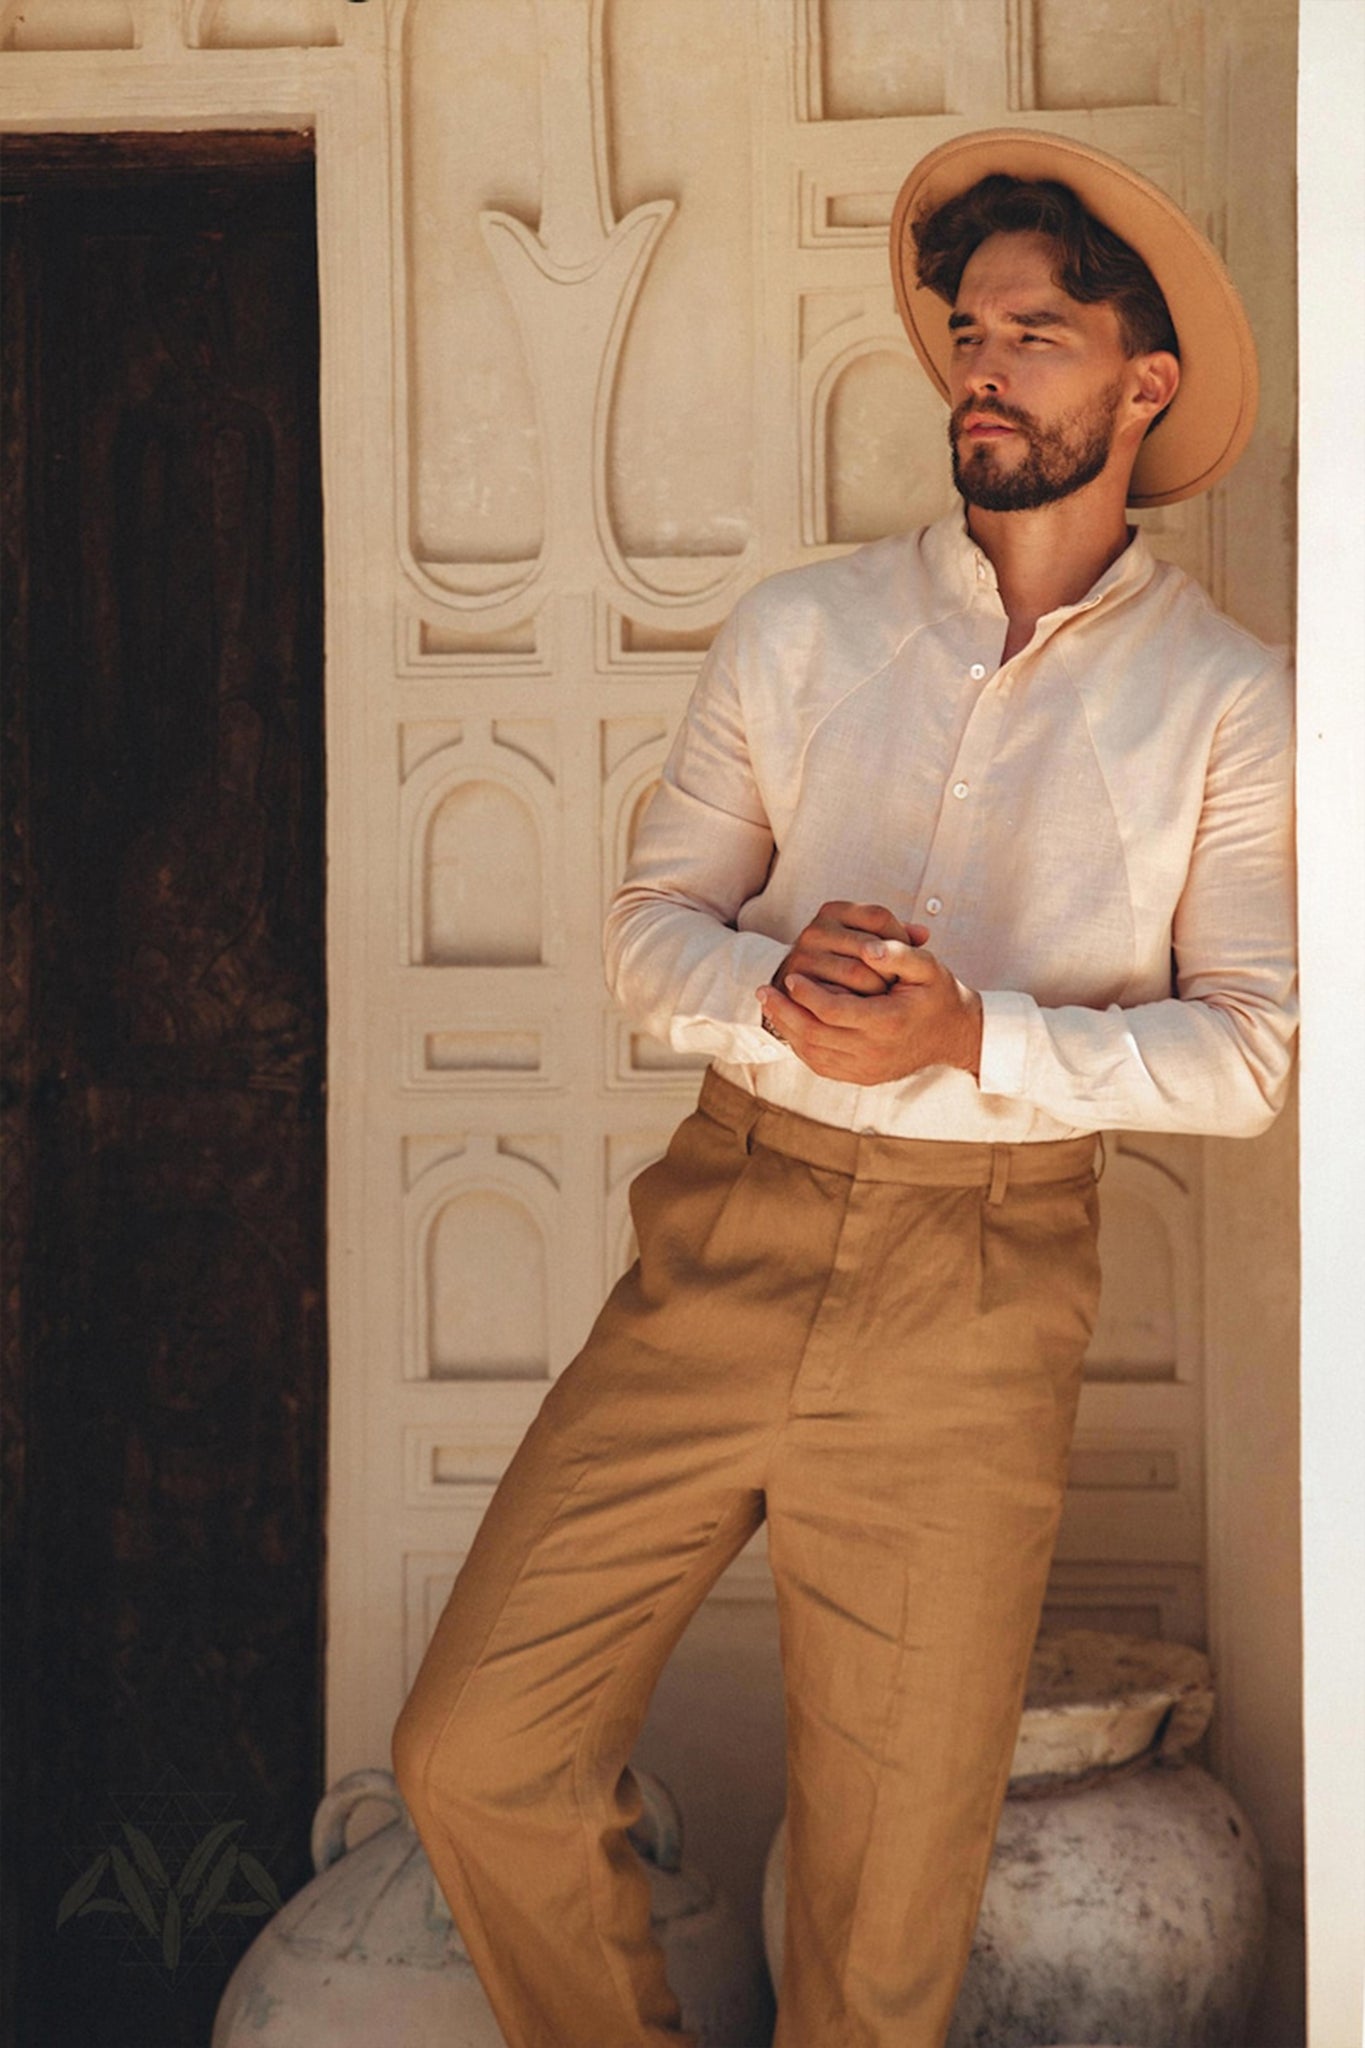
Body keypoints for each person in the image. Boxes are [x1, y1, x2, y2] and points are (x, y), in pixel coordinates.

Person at [392, 127, 1296, 2048]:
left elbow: (1248, 1053)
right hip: (725, 1228)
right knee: (473, 1752)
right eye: (965, 332)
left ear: (1143, 384)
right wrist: (771, 986)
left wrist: (975, 1040)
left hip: (980, 1295)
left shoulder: (1231, 703)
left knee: (884, 1935)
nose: (980, 365)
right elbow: (651, 935)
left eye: (1035, 335)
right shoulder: (800, 630)